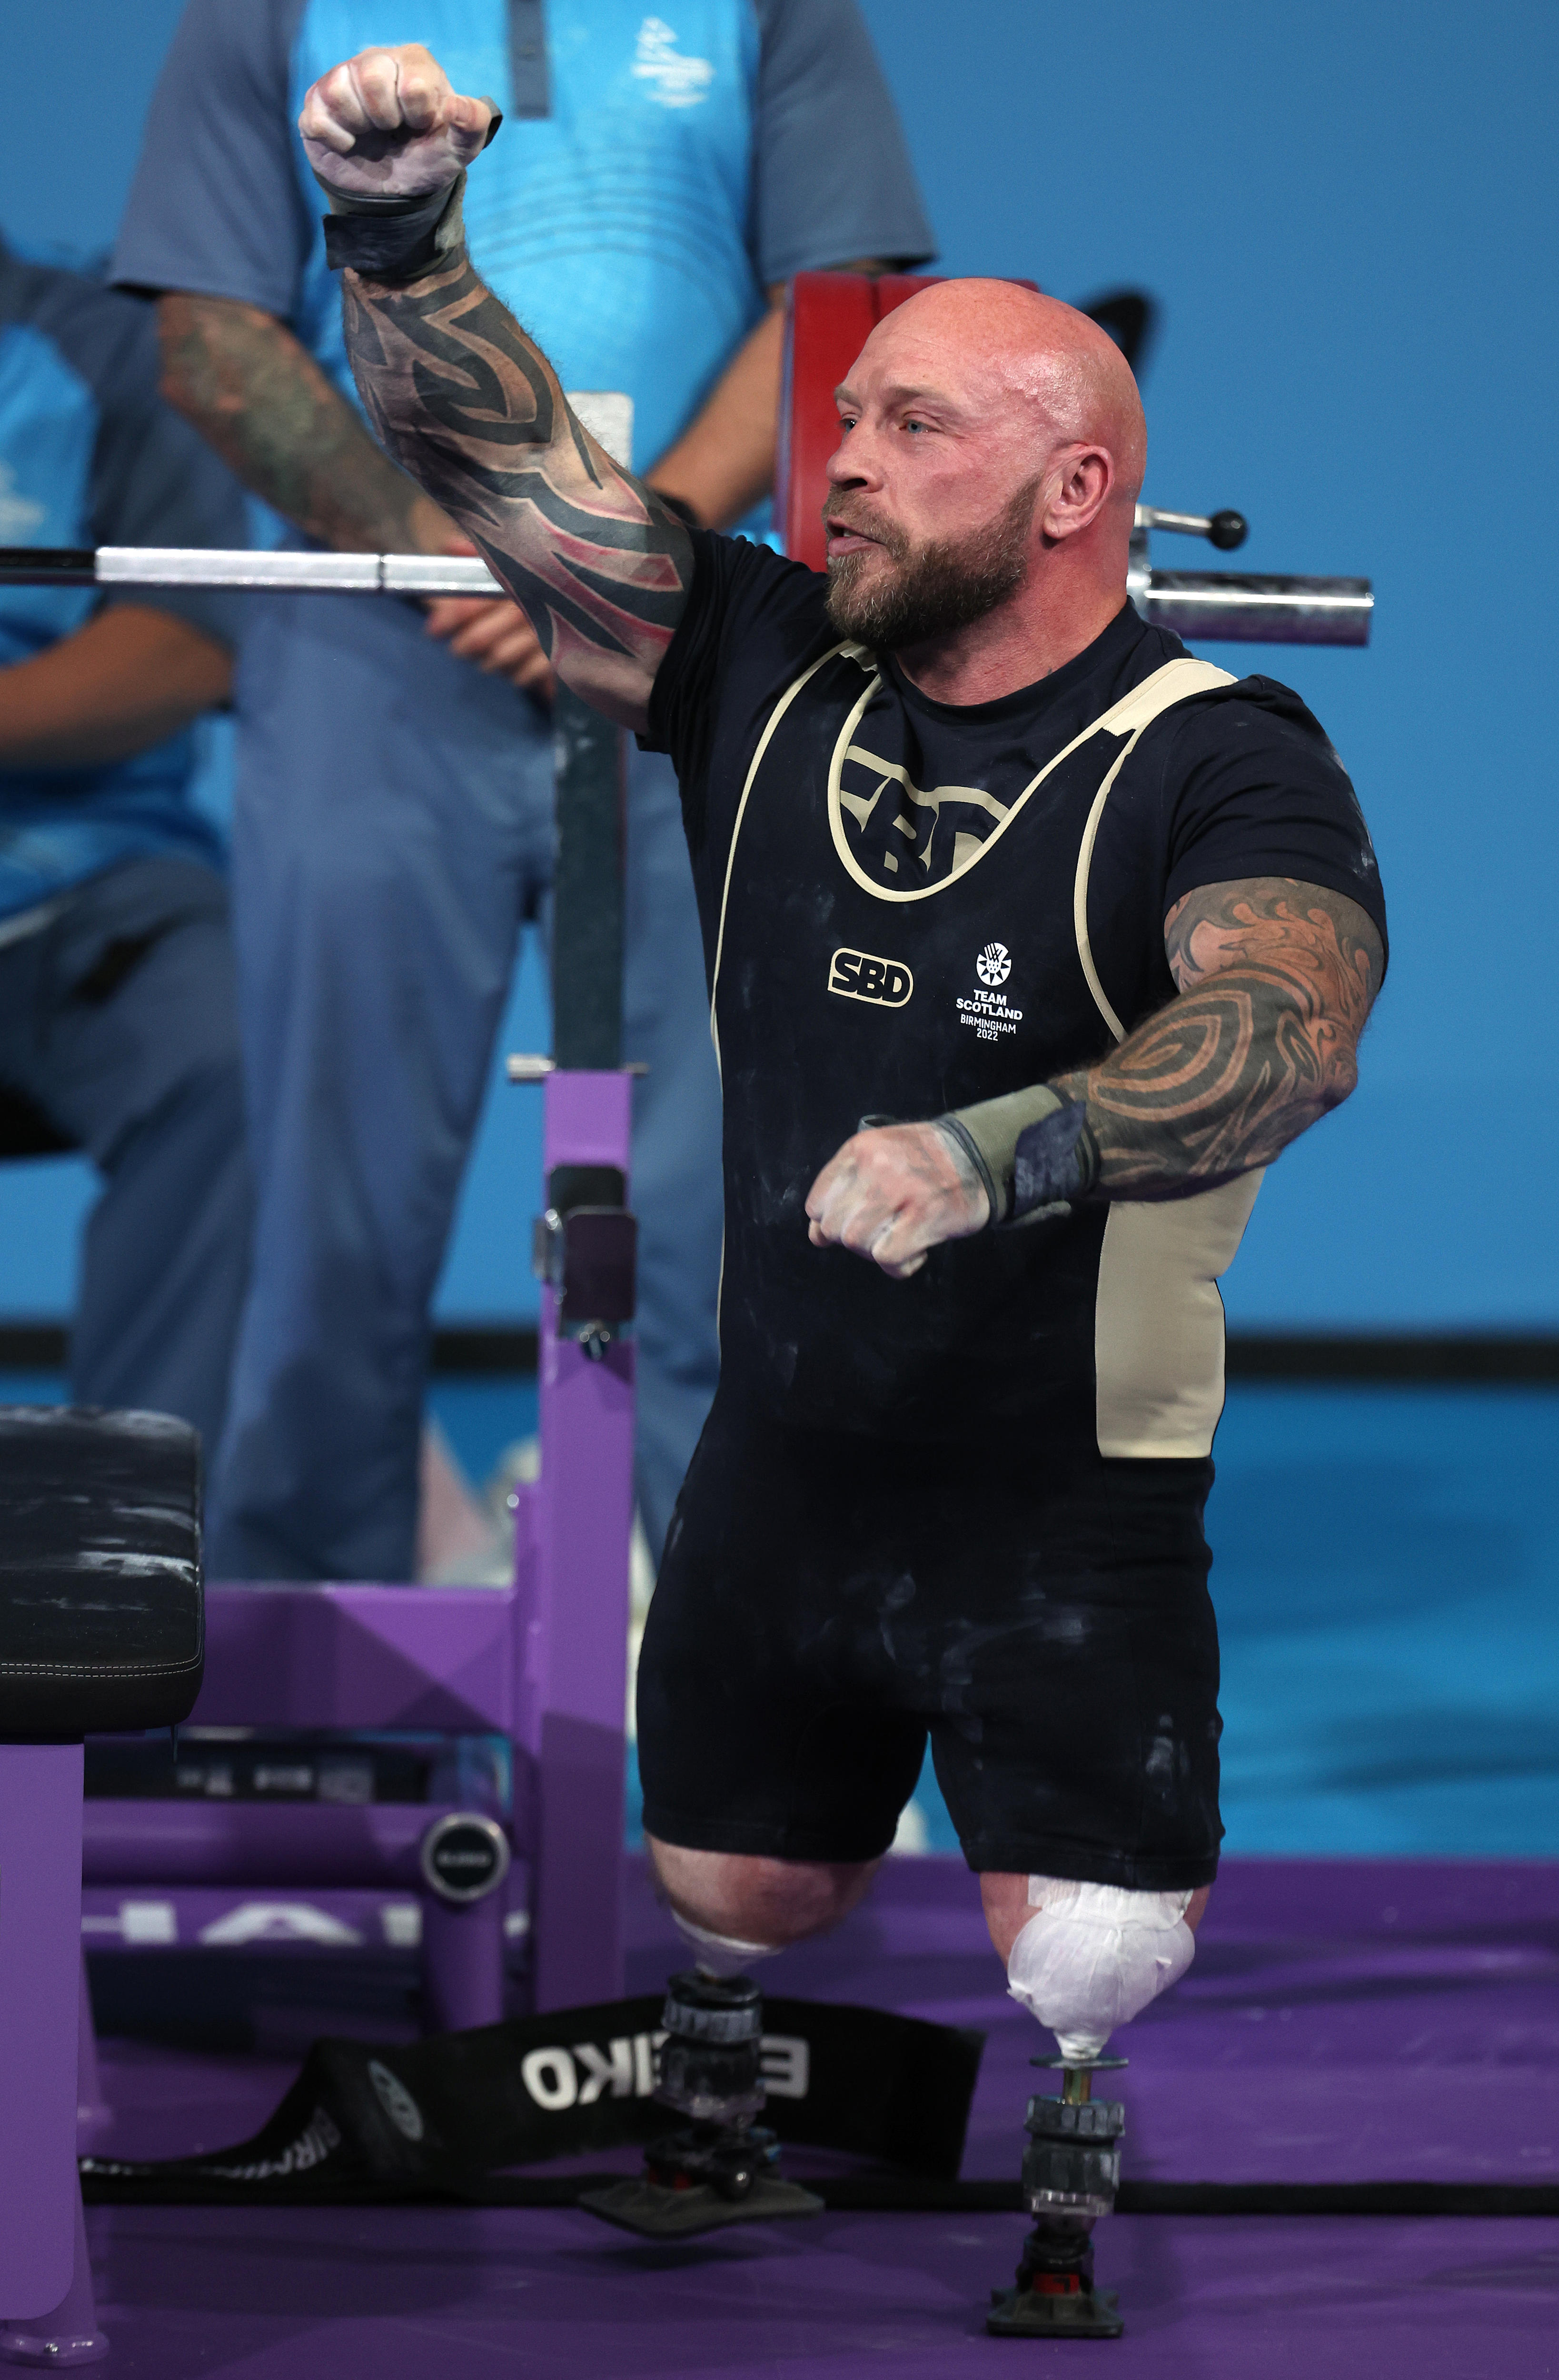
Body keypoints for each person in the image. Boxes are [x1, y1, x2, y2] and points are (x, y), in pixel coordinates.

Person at [290, 50, 1387, 2046]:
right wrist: (395, 238)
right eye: (847, 417)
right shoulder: (758, 653)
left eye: (912, 426)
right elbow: (511, 471)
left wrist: (992, 1151)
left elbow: (1282, 1030)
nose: (840, 467)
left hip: (1061, 1495)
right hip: (782, 1466)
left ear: (1074, 493)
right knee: (735, 1890)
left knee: (1084, 1954)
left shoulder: (1217, 756)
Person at [111, 1, 934, 1581]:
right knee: (327, 1226)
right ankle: (321, 1659)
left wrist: (627, 555)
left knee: (719, 1212)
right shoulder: (262, 14)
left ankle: (737, 1661)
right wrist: (443, 550)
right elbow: (209, 338)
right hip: (373, 662)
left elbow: (837, 302)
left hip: (693, 655)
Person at [0, 237, 251, 1460]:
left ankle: (120, 1514)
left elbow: (187, 641)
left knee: (239, 1053)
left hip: (83, 887)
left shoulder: (101, 352)